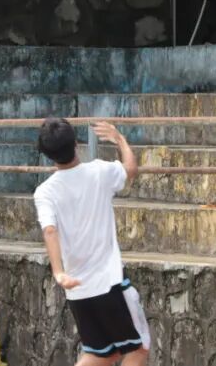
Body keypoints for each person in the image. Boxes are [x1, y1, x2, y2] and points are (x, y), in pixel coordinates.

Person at [34, 117, 150, 365]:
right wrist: (120, 139)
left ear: (47, 154)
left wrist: (59, 272)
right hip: (109, 282)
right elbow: (131, 169)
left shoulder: (44, 192)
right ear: (76, 143)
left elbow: (50, 230)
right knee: (139, 348)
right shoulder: (99, 171)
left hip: (77, 289)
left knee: (104, 353)